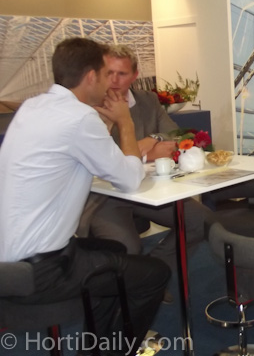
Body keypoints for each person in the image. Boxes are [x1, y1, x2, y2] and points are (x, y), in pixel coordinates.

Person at [0, 38, 170, 355]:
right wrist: (124, 121)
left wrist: (108, 123)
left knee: (115, 251)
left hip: (9, 260)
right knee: (155, 275)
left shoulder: (33, 107)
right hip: (42, 270)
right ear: (91, 76)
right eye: (106, 75)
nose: (110, 84)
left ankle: (96, 348)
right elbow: (130, 180)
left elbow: (89, 155)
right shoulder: (79, 118)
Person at [80, 45, 217, 300]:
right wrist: (144, 154)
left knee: (200, 220)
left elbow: (175, 133)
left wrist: (153, 138)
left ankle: (154, 273)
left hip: (147, 188)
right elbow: (100, 159)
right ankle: (134, 292)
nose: (113, 80)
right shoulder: (89, 105)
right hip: (104, 196)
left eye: (121, 74)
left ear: (134, 75)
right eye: (108, 72)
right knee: (126, 246)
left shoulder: (147, 100)